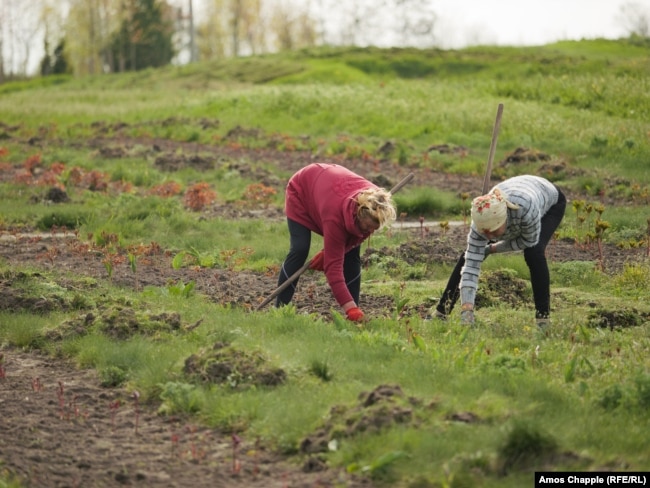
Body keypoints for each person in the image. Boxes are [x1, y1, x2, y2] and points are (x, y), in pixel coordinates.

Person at [433, 175, 566, 330]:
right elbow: (470, 267)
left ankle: (543, 320)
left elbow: (527, 241)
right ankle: (442, 312)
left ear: (504, 220)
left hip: (551, 202)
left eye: (493, 232)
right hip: (517, 195)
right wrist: (467, 310)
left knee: (534, 253)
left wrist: (492, 249)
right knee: (469, 255)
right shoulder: (482, 221)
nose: (489, 237)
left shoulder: (526, 209)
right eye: (485, 232)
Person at [275, 163, 397, 321]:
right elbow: (333, 269)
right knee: (300, 249)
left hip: (328, 189)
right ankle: (279, 312)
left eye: (373, 228)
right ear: (358, 214)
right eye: (367, 227)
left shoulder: (376, 204)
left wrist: (331, 252)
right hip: (303, 189)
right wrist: (349, 308)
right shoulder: (335, 218)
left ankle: (354, 317)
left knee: (352, 255)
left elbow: (355, 239)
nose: (368, 232)